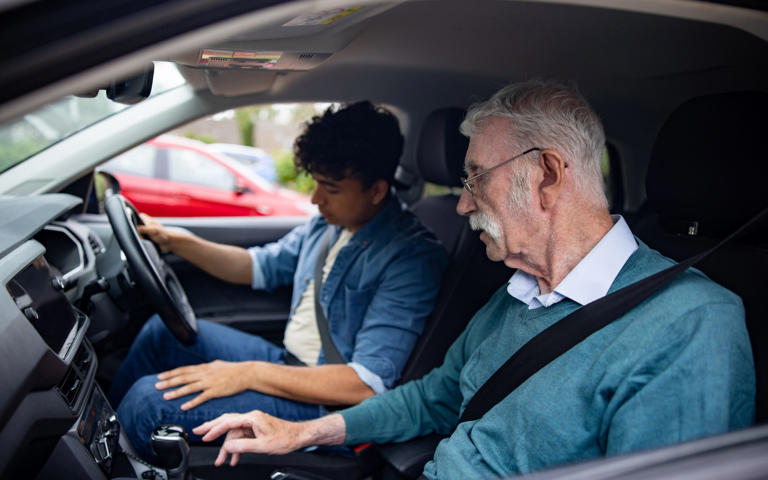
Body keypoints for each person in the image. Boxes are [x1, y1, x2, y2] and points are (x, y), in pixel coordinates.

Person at [193, 81, 756, 478]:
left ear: (548, 175)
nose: (461, 205)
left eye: (475, 179)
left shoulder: (689, 327)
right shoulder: (515, 294)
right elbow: (430, 400)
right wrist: (300, 433)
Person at [109, 101, 448, 458]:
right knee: (160, 333)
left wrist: (249, 373)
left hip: (327, 408)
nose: (315, 200)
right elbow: (258, 266)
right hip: (288, 361)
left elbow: (364, 385)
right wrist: (178, 241)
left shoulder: (411, 257)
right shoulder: (326, 224)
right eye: (315, 184)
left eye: (330, 189)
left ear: (377, 191)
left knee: (151, 401)